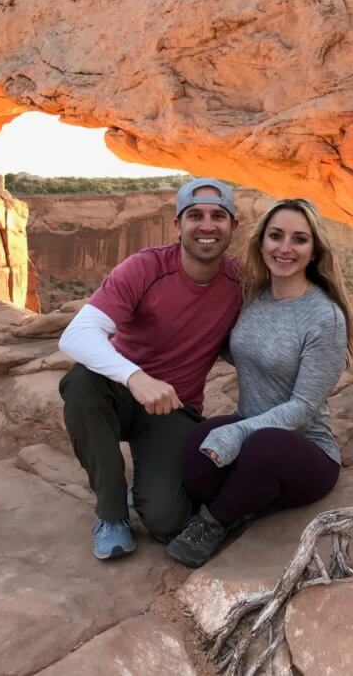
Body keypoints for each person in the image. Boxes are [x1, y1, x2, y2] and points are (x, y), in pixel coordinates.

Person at [165, 198, 353, 568]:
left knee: (262, 449)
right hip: (251, 428)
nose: (285, 248)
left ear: (314, 250)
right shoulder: (253, 296)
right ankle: (248, 501)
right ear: (262, 242)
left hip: (302, 450)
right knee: (195, 451)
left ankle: (214, 523)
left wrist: (237, 432)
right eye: (276, 236)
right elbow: (235, 348)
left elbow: (303, 407)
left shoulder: (324, 317)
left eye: (299, 239)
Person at [58, 178, 242, 560]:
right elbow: (76, 335)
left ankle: (141, 490)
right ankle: (111, 513)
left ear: (233, 226)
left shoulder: (240, 280)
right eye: (195, 215)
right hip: (121, 393)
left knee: (166, 519)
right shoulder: (146, 267)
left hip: (175, 408)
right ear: (177, 225)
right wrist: (135, 377)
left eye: (218, 216)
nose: (207, 225)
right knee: (80, 383)